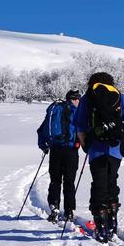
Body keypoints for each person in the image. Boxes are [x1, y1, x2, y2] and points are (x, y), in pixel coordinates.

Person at [75, 71, 124, 242]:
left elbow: (80, 125)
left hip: (96, 148)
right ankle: (112, 222)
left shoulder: (88, 98)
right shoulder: (120, 96)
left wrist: (85, 144)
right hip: (115, 148)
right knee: (111, 182)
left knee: (99, 184)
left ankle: (100, 226)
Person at [37, 89, 81, 222]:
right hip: (71, 151)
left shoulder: (54, 110)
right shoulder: (76, 112)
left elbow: (41, 130)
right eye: (78, 99)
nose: (79, 101)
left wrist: (44, 146)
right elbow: (82, 130)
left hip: (55, 150)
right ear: (73, 99)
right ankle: (69, 211)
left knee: (55, 180)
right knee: (69, 182)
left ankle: (54, 206)